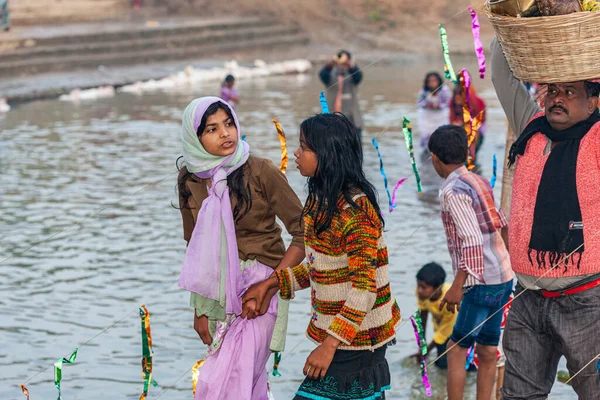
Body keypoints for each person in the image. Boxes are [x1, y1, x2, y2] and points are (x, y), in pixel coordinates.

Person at [242, 113, 401, 400]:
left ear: (327, 155)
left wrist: (328, 346)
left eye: (304, 147)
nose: (296, 153)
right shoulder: (322, 203)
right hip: (344, 335)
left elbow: (364, 290)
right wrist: (271, 284)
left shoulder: (356, 213)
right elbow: (323, 270)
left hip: (359, 340)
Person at [491, 36, 600, 399]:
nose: (557, 98)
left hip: (588, 301)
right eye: (552, 89)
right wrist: (515, 24)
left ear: (594, 100)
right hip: (526, 296)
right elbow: (501, 72)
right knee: (518, 396)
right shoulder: (530, 125)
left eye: (570, 92)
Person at [176, 97, 305, 400]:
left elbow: (304, 233)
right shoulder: (190, 179)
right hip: (217, 291)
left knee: (224, 383)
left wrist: (272, 284)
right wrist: (199, 309)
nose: (225, 134)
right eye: (212, 129)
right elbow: (195, 249)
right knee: (241, 383)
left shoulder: (261, 171)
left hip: (261, 289)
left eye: (228, 123)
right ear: (195, 138)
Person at [428, 124, 514, 400]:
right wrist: (509, 264)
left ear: (434, 158)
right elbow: (502, 223)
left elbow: (471, 240)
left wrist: (457, 285)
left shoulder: (452, 191)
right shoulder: (478, 180)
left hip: (480, 282)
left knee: (456, 348)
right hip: (502, 277)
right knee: (487, 348)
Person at [410, 262, 457, 369]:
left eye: (424, 287)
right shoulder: (422, 295)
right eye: (418, 285)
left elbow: (445, 331)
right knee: (440, 364)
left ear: (437, 288)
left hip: (458, 333)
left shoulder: (449, 300)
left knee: (457, 365)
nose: (419, 290)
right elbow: (423, 315)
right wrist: (422, 345)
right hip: (441, 331)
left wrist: (427, 351)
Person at [319, 50, 364, 137]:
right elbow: (322, 74)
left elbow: (358, 77)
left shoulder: (353, 73)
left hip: (352, 119)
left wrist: (350, 65)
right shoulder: (330, 74)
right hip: (332, 119)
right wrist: (332, 63)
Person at [450, 82, 487, 155]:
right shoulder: (452, 102)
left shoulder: (478, 102)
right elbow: (451, 118)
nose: (457, 99)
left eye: (460, 96)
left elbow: (481, 119)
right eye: (456, 96)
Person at [418, 72, 452, 149]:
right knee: (427, 136)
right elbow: (419, 103)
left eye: (434, 80)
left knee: (441, 135)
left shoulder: (444, 90)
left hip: (440, 116)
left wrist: (438, 106)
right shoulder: (424, 91)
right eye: (430, 81)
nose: (432, 83)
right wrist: (427, 105)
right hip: (427, 117)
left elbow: (448, 102)